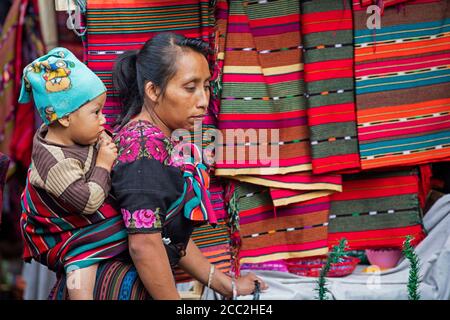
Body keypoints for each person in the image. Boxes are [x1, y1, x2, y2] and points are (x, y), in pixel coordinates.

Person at [110, 32, 268, 299]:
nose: (203, 100)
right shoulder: (143, 149)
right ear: (153, 91)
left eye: (206, 85)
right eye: (190, 87)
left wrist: (228, 286)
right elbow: (145, 245)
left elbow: (169, 237)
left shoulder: (156, 141)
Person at [19, 47, 128, 300]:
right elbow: (88, 203)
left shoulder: (81, 137)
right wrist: (103, 163)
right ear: (66, 118)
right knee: (81, 268)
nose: (103, 120)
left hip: (84, 224)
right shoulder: (54, 162)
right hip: (62, 236)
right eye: (96, 112)